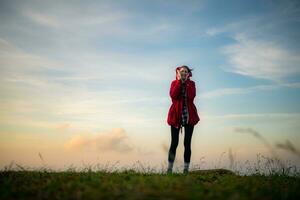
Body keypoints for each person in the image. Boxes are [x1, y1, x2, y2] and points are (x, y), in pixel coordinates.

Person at [166, 65, 200, 174]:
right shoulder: (174, 83)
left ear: (188, 73)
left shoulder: (192, 84)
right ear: (178, 73)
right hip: (176, 115)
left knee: (187, 143)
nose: (184, 73)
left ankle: (186, 169)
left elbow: (191, 96)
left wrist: (186, 83)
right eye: (182, 71)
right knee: (174, 143)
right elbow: (173, 95)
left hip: (189, 115)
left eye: (186, 71)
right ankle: (169, 169)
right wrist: (179, 82)